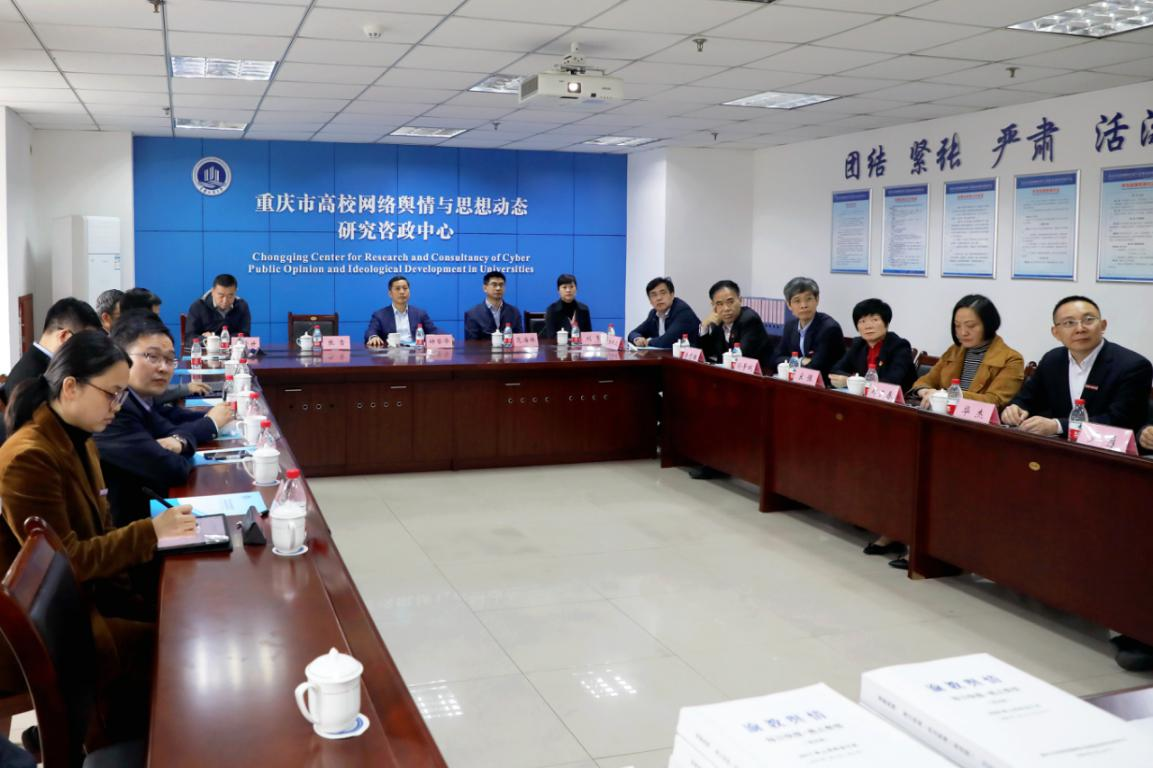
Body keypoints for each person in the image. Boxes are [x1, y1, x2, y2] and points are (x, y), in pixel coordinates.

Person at [0, 331, 196, 739]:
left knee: (185, 611)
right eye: (111, 394)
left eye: (123, 396)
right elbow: (65, 562)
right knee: (180, 647)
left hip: (90, 598)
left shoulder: (77, 435)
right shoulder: (28, 456)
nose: (117, 407)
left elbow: (99, 528)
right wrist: (150, 532)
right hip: (55, 627)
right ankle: (117, 738)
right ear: (71, 387)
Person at [96, 312, 234, 527]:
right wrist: (191, 436)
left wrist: (179, 441)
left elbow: (170, 429)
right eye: (152, 357)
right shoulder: (114, 409)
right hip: (128, 530)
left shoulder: (136, 399)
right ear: (121, 357)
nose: (163, 367)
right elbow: (173, 469)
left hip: (149, 517)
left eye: (170, 359)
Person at [1002, 296, 1151, 436]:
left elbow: (1121, 421)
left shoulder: (1133, 366)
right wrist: (1015, 409)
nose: (1080, 329)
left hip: (1106, 450)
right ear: (1056, 333)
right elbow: (1027, 399)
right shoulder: (1052, 360)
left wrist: (1058, 426)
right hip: (1057, 448)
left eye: (1088, 320)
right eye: (1069, 323)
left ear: (1103, 325)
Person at [911, 295, 1023, 408]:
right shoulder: (954, 351)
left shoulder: (1011, 359)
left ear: (988, 324)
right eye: (957, 325)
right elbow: (923, 382)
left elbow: (995, 401)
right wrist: (925, 391)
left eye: (971, 326)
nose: (963, 332)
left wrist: (948, 396)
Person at [1, 297, 102, 406]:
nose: (89, 353)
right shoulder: (36, 378)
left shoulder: (36, 361)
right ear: (64, 336)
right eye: (86, 344)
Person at [829, 298, 916, 391]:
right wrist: (852, 380)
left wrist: (852, 381)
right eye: (862, 321)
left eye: (874, 320)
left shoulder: (899, 346)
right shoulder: (858, 344)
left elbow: (891, 382)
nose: (868, 326)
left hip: (895, 398)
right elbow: (835, 371)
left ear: (886, 324)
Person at [770, 277, 844, 382]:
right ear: (789, 305)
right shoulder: (790, 326)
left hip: (825, 386)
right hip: (800, 382)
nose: (804, 305)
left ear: (817, 300)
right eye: (797, 301)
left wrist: (792, 362)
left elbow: (816, 367)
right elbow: (775, 359)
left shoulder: (829, 329)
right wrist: (801, 361)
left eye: (808, 299)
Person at [699, 280, 771, 366]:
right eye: (719, 304)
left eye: (730, 302)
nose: (726, 308)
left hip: (757, 372)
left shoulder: (750, 320)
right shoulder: (717, 322)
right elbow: (707, 355)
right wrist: (704, 326)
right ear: (713, 305)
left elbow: (740, 358)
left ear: (740, 300)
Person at [365, 275, 438, 347]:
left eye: (405, 288)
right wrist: (373, 337)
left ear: (409, 292)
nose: (402, 292)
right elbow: (371, 331)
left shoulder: (420, 313)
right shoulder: (380, 315)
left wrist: (443, 337)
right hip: (391, 352)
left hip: (415, 352)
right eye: (397, 289)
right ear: (390, 294)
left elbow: (433, 331)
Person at [628, 276, 700, 348]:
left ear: (672, 295)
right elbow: (633, 333)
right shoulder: (653, 314)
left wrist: (647, 342)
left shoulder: (682, 311)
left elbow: (668, 341)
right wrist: (637, 339)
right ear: (650, 301)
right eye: (654, 295)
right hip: (668, 354)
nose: (659, 298)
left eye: (663, 293)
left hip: (693, 354)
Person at [185, 273, 251, 344]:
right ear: (212, 292)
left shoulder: (242, 306)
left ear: (235, 292)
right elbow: (189, 338)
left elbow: (245, 335)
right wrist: (205, 340)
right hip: (206, 349)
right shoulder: (198, 306)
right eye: (221, 295)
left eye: (230, 296)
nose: (225, 300)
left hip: (234, 350)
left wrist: (215, 338)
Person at [464, 270, 522, 340]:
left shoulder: (514, 312)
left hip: (508, 347)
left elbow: (519, 340)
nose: (498, 288)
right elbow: (471, 344)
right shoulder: (472, 314)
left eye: (501, 285)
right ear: (485, 288)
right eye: (494, 285)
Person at [540, 273, 591, 340]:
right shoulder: (552, 310)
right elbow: (551, 337)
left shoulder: (584, 309)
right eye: (564, 287)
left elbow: (589, 336)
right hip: (559, 346)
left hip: (581, 346)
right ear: (558, 290)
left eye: (571, 287)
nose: (568, 290)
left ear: (576, 289)